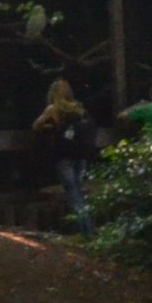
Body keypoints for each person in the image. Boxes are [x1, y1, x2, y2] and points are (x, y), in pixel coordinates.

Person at [34, 78, 101, 233]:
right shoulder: (79, 108)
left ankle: (84, 232)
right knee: (79, 192)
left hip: (64, 156)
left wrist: (49, 126)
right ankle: (88, 229)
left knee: (72, 195)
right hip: (81, 155)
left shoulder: (53, 108)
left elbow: (36, 125)